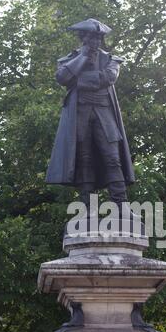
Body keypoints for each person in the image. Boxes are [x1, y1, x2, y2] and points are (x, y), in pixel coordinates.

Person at [46, 18, 136, 217]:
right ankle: (88, 210)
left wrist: (78, 80)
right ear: (82, 38)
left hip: (105, 115)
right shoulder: (68, 60)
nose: (95, 40)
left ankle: (121, 207)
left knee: (113, 159)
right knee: (84, 160)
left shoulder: (112, 60)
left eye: (98, 37)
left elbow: (108, 78)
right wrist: (82, 58)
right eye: (90, 37)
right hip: (80, 116)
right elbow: (62, 78)